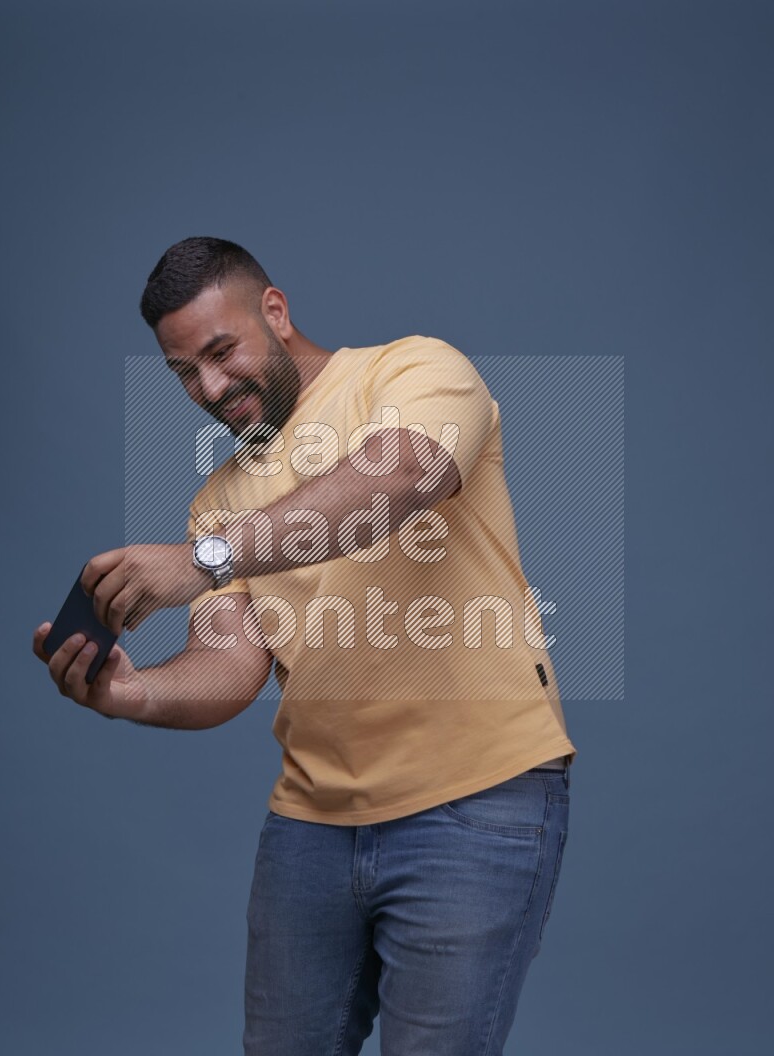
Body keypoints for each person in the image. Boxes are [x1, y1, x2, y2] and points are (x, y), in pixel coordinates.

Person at [32, 236, 577, 1055]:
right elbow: (231, 664)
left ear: (276, 312)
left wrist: (207, 558)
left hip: (476, 804)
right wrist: (134, 693)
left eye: (221, 352)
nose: (211, 388)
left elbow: (400, 476)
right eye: (185, 374)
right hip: (311, 825)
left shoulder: (415, 369)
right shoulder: (219, 498)